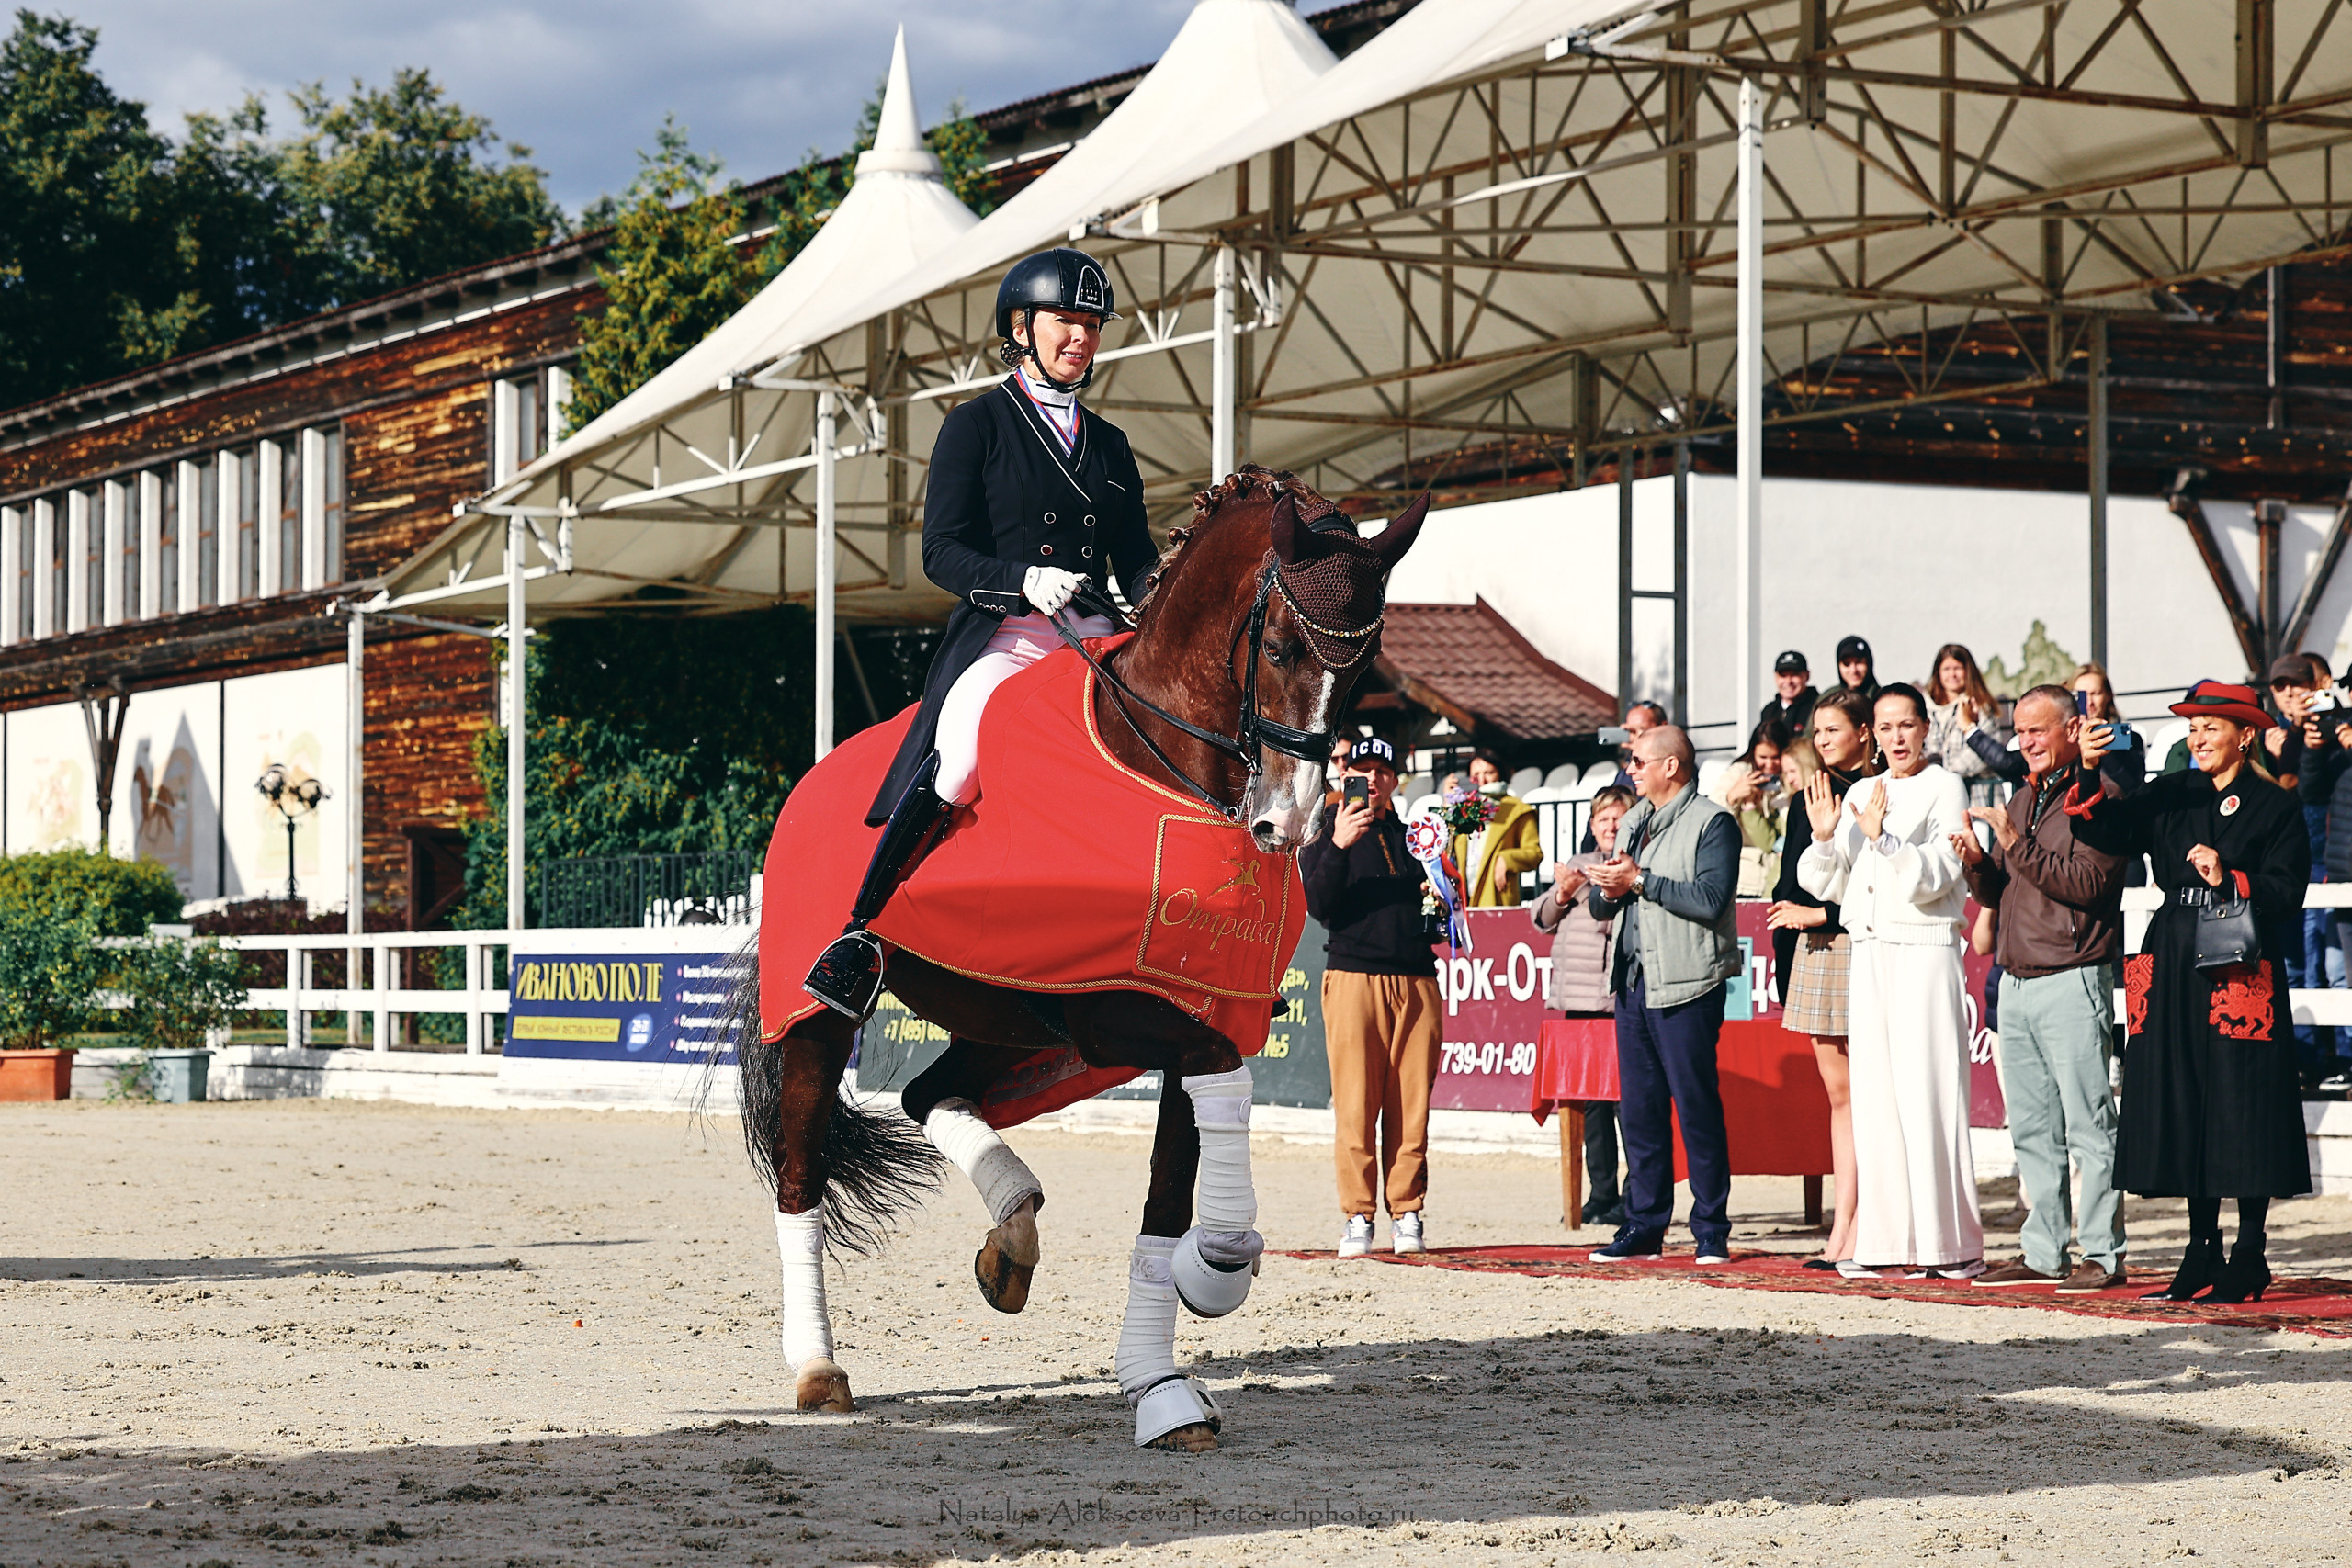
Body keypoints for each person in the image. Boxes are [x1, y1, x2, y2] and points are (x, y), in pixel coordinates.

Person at [805, 248, 1157, 1019]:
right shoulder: (978, 424)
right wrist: (1021, 579)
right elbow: (940, 550)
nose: (1082, 339)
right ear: (1021, 328)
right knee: (962, 752)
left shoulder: (1111, 446)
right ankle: (863, 933)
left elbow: (1138, 565)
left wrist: (1163, 607)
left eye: (1092, 325)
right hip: (1013, 635)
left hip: (1096, 637)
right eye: (1068, 321)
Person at [2072, 681, 2313, 1303]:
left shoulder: (2273, 803)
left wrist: (2230, 876)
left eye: (2211, 726)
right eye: (2194, 727)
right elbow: (2110, 828)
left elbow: (2289, 891)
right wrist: (2090, 767)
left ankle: (2250, 1249)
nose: (2198, 738)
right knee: (2182, 1092)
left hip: (2240, 956)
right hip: (2174, 949)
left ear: (2245, 733)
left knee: (2244, 1097)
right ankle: (2200, 1245)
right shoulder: (2172, 792)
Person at [1798, 682, 1982, 1280]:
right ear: (1872, 734)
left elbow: (1936, 876)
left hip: (1924, 950)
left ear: (1925, 728)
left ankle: (1946, 1245)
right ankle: (1882, 1240)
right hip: (1870, 951)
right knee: (1875, 1098)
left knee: (1927, 1093)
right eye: (1885, 727)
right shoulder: (1858, 791)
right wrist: (1827, 835)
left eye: (1906, 725)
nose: (1896, 737)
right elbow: (1827, 884)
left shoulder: (1945, 785)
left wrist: (1882, 836)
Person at [1955, 685, 2129, 1292]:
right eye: (2019, 731)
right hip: (2019, 978)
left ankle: (2103, 1253)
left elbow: (2088, 885)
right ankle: (2043, 1250)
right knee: (2031, 1128)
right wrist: (1980, 861)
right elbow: (2001, 892)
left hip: (2073, 972)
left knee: (2089, 1124)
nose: (2024, 740)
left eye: (2038, 729)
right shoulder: (2023, 798)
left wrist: (2013, 843)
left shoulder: (2100, 795)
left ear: (2073, 729)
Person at [1583, 724, 1742, 1264]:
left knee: (1696, 1108)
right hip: (1631, 982)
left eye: (1639, 760)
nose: (1631, 769)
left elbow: (1712, 898)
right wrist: (1608, 889)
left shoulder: (1713, 822)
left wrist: (1641, 880)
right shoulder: (1632, 822)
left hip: (1688, 982)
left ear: (1670, 766)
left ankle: (1711, 1230)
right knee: (1640, 1113)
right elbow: (1602, 908)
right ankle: (1644, 1226)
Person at [1299, 736, 1442, 1259]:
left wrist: (1444, 891)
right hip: (1355, 976)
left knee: (1412, 1108)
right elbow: (1319, 903)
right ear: (1345, 778)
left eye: (1382, 771)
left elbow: (1436, 911)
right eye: (1362, 771)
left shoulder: (1416, 839)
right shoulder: (1327, 831)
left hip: (1418, 980)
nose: (1373, 780)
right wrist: (1337, 844)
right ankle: (1358, 1216)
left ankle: (1407, 1210)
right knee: (1356, 1105)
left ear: (1395, 780)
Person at [1767, 688, 1874, 1266]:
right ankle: (1842, 1227)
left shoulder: (1877, 792)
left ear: (1864, 731)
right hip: (1814, 953)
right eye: (1818, 730)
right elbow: (1789, 888)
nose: (1824, 739)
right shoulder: (1806, 797)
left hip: (1861, 945)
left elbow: (1876, 884)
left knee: (1868, 1095)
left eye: (1834, 728)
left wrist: (1824, 914)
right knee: (1839, 1097)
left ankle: (1863, 1227)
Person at [1532, 784, 1636, 1227]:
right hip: (1579, 1003)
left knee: (1630, 1106)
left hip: (1621, 1000)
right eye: (1602, 819)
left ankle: (1637, 1196)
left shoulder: (1637, 867)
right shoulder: (1577, 865)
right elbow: (1539, 919)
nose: (1610, 826)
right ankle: (1599, 1194)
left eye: (1617, 818)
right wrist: (1563, 892)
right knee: (1590, 1107)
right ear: (1591, 826)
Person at [1924, 642, 2012, 809]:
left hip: (1978, 797)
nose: (1952, 674)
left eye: (1957, 668)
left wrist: (1946, 771)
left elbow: (1983, 752)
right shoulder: (1927, 709)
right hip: (1939, 797)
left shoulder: (1980, 707)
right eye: (1946, 669)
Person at [1711, 719, 1790, 897]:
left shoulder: (1791, 775)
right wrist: (1732, 796)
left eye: (1775, 757)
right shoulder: (1739, 772)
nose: (1769, 765)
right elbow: (1711, 814)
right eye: (1763, 758)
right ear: (1753, 752)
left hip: (1778, 875)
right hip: (1745, 878)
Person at [1454, 749, 1543, 908]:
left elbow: (1534, 854)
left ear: (1500, 773)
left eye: (1488, 773)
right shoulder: (1463, 811)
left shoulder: (1518, 810)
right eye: (1476, 775)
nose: (1482, 780)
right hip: (1463, 898)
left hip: (1496, 896)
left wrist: (1506, 859)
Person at [1762, 649, 1818, 738]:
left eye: (1794, 675)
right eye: (1783, 676)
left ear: (1807, 676)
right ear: (1775, 677)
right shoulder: (1769, 711)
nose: (1788, 682)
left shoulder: (1818, 707)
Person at [1836, 635, 1879, 705]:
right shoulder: (1830, 700)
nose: (1853, 670)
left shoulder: (1880, 700)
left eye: (1859, 662)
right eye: (1847, 664)